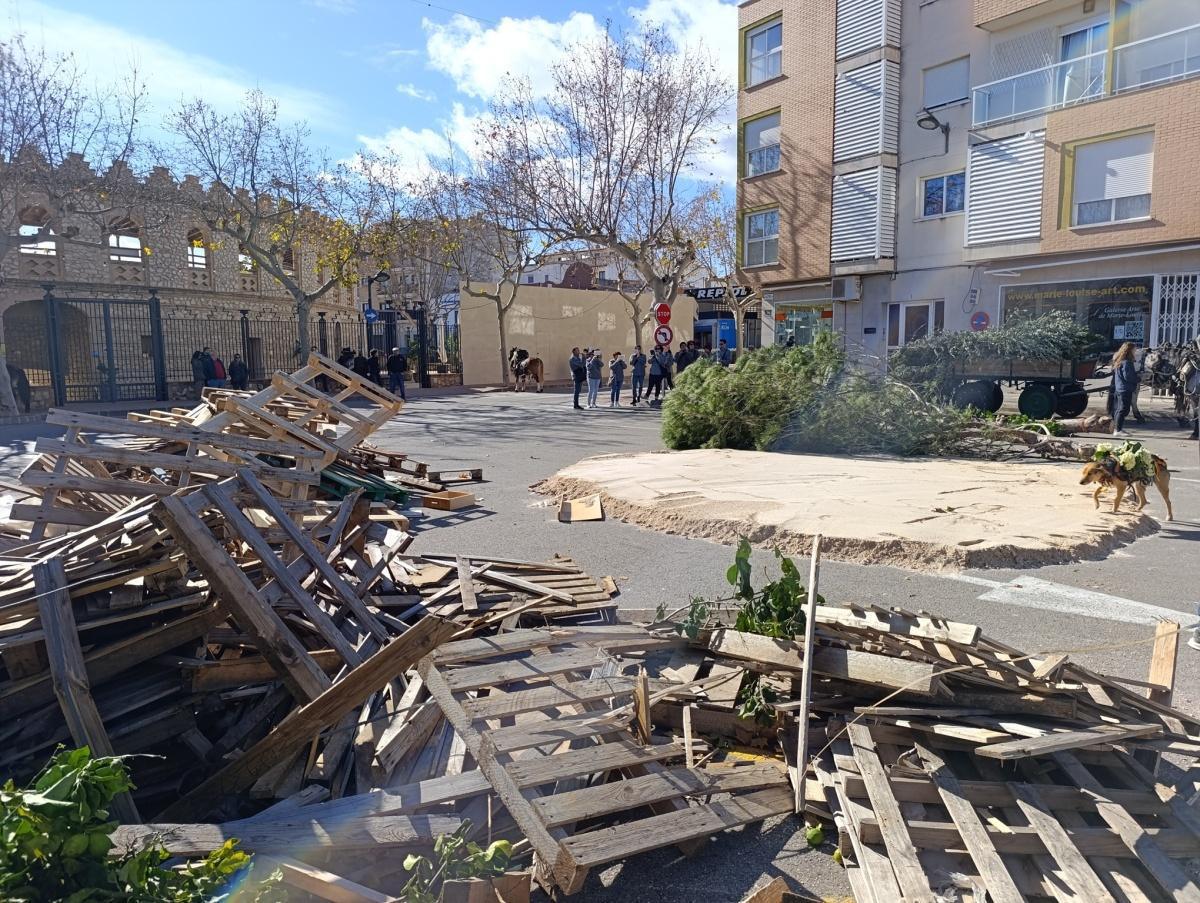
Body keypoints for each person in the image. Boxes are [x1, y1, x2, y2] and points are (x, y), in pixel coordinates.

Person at [1110, 341, 1139, 435]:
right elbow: (1128, 376)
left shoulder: (1120, 361)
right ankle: (1118, 430)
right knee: (1123, 410)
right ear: (1129, 350)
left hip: (1120, 388)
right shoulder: (1127, 362)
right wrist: (1138, 378)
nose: (1135, 351)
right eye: (1134, 349)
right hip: (1125, 389)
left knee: (1119, 409)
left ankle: (1117, 428)